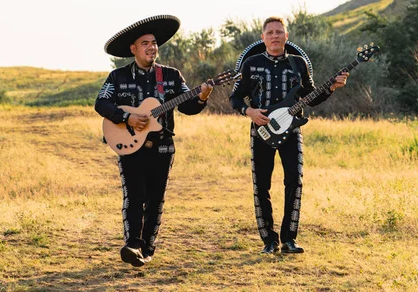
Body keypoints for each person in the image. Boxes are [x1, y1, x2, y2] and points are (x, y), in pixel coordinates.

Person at [95, 15, 213, 267]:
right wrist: (126, 117)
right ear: (133, 49)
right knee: (134, 195)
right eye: (145, 43)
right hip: (131, 146)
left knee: (156, 198)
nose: (152, 47)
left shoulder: (171, 76)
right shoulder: (117, 77)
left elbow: (188, 106)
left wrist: (202, 97)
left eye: (154, 43)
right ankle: (132, 244)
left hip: (162, 146)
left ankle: (146, 249)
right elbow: (101, 103)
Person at [230, 16, 349, 254]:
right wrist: (249, 111)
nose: (275, 36)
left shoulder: (299, 63)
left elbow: (311, 96)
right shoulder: (250, 64)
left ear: (287, 36)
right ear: (262, 37)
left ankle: (289, 240)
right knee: (261, 186)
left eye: (279, 32)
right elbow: (235, 98)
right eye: (270, 32)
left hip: (292, 131)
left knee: (294, 181)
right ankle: (269, 241)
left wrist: (332, 87)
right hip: (261, 131)